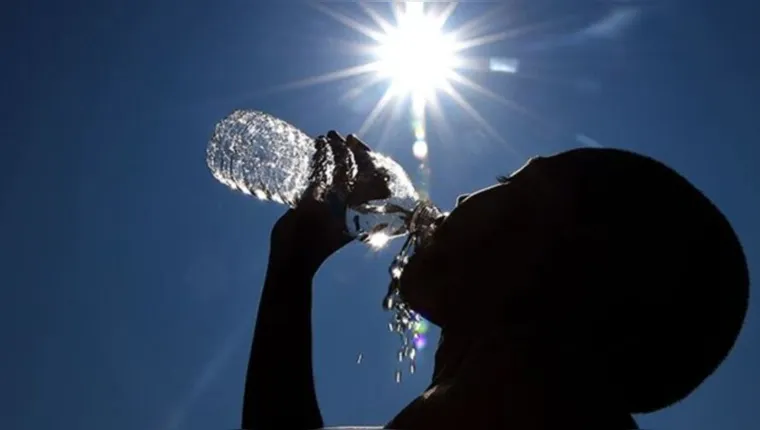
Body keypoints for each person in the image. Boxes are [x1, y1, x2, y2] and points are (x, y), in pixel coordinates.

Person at [240, 132, 749, 430]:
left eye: (512, 184)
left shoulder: (523, 412)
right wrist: (292, 263)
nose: (462, 199)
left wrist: (291, 266)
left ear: (564, 269)